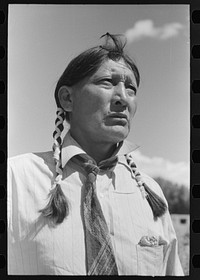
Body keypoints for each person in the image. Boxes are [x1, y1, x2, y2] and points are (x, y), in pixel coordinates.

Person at [8, 33, 184, 276]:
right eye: (107, 82)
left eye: (131, 88)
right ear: (68, 98)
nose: (123, 97)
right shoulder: (15, 179)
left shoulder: (150, 194)